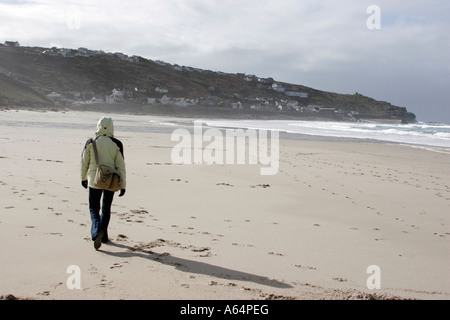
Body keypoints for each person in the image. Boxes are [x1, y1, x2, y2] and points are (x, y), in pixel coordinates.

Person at [81, 116, 126, 250]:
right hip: (111, 181)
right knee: (106, 208)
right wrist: (123, 185)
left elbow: (84, 163)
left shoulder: (91, 142)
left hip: (94, 180)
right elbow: (121, 166)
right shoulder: (117, 144)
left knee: (94, 208)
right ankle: (104, 235)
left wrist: (83, 178)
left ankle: (96, 231)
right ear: (112, 127)